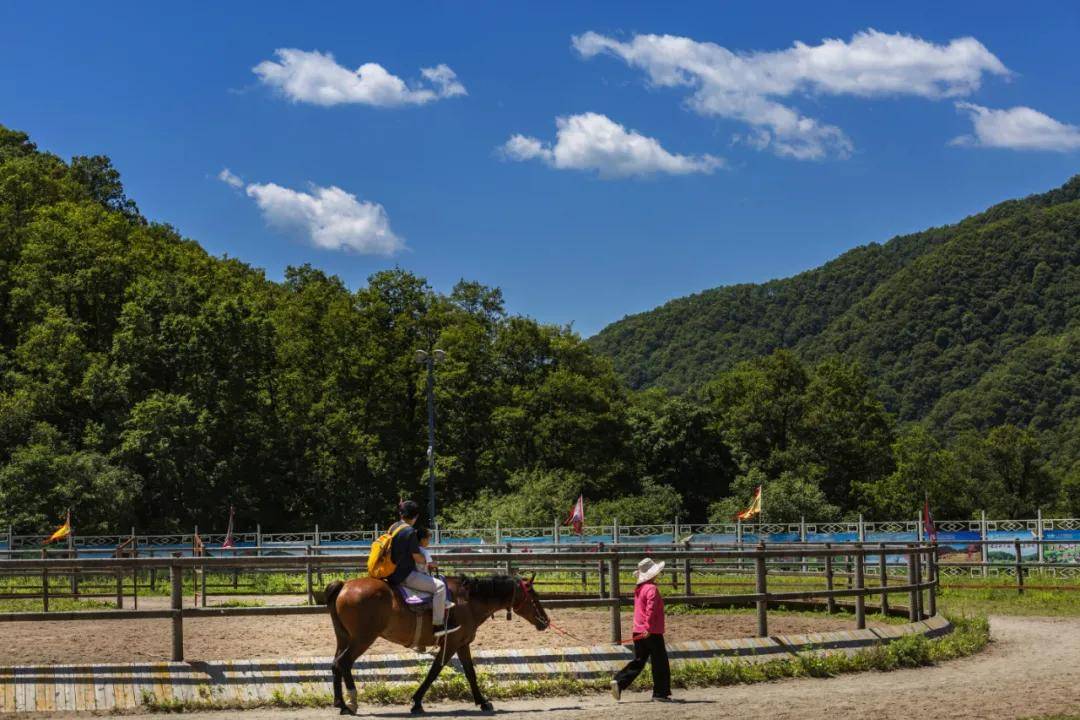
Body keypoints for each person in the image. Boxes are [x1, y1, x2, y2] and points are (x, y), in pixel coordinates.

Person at [387, 501, 458, 637]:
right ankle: (439, 625)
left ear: (401, 514)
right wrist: (430, 563)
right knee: (440, 587)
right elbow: (417, 557)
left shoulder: (393, 527)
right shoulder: (410, 532)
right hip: (404, 576)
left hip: (390, 572)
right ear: (416, 516)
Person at [611, 557, 672, 702]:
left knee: (639, 660)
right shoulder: (652, 589)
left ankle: (619, 682)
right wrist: (648, 627)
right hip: (652, 631)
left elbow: (641, 610)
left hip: (637, 630)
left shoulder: (639, 589)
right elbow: (650, 610)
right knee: (660, 662)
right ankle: (660, 693)